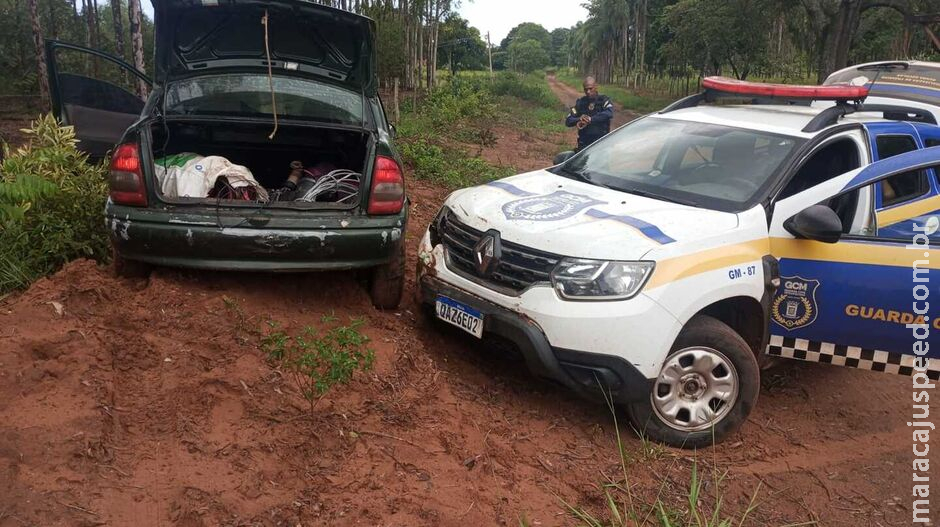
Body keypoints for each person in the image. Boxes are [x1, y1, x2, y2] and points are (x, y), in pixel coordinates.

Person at [565, 76, 614, 151]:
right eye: (586, 89)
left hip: (601, 143)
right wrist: (579, 119)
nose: (588, 92)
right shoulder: (580, 103)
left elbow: (609, 113)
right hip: (584, 144)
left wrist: (590, 119)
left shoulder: (604, 100)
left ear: (596, 87)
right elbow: (569, 120)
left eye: (590, 89)